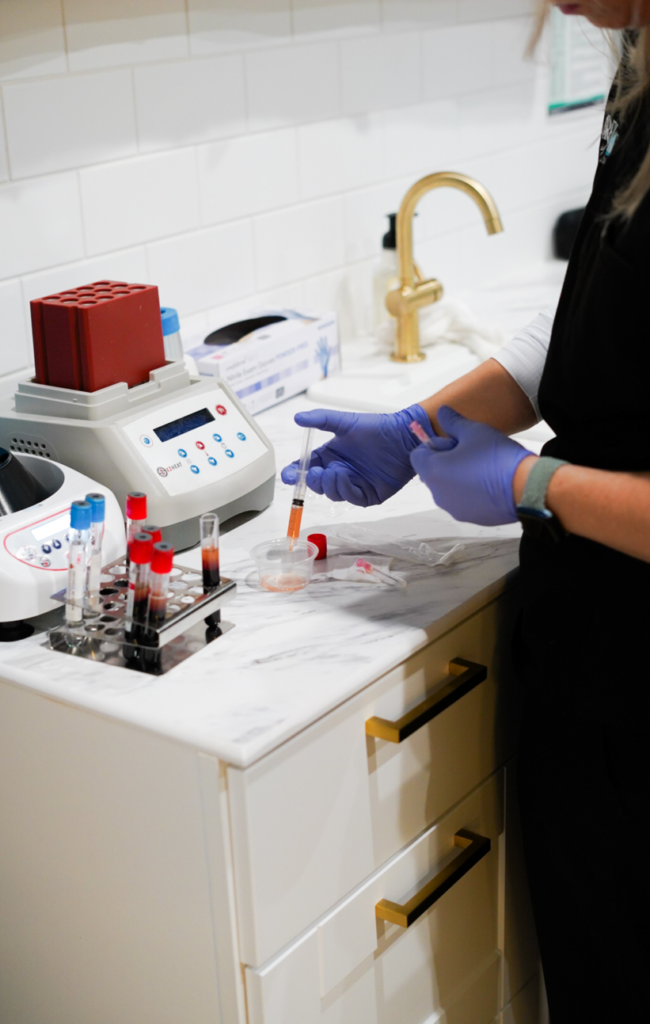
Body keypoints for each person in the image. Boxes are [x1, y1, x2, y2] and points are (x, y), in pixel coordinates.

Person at [282, 3, 650, 1020]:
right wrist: (418, 428)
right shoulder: (639, 69)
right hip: (593, 673)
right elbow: (594, 320)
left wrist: (535, 484)